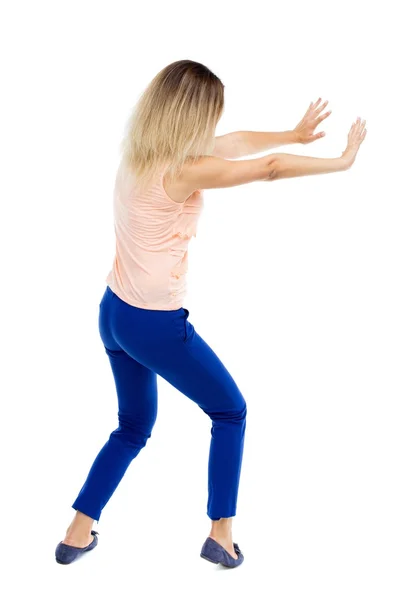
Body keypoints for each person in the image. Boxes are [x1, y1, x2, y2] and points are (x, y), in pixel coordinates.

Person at [55, 59, 367, 567]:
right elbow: (266, 169)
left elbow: (238, 143)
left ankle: (76, 531)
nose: (215, 127)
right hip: (155, 325)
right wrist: (342, 161)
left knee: (133, 426)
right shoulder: (182, 169)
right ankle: (221, 535)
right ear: (193, 116)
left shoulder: (140, 153)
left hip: (114, 312)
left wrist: (293, 132)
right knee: (230, 411)